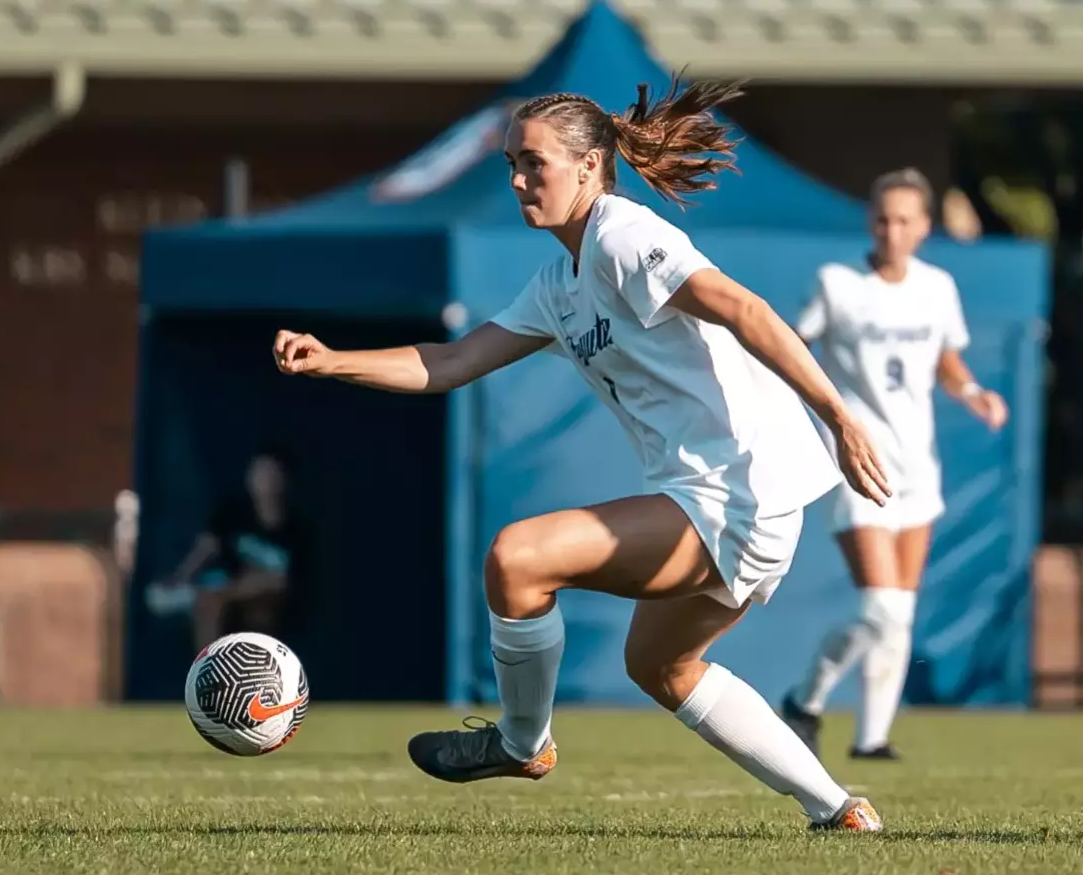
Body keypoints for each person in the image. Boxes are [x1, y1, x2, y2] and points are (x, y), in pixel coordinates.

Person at [273, 74, 890, 832]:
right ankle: (838, 809)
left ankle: (521, 744)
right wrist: (332, 360)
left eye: (534, 163)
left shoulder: (621, 236)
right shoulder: (556, 284)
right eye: (511, 164)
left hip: (735, 493)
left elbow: (743, 307)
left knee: (518, 558)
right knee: (661, 668)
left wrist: (839, 417)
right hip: (723, 497)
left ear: (590, 166)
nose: (518, 180)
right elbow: (452, 362)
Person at [778, 168, 1007, 761]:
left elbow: (945, 360)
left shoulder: (937, 287)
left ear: (924, 227)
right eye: (883, 219)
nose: (892, 231)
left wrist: (973, 392)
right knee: (880, 607)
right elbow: (792, 348)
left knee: (898, 613)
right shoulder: (837, 283)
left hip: (917, 466)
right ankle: (804, 699)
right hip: (859, 461)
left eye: (905, 220)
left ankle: (872, 738)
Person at [149, 448, 300, 653]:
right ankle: (208, 669)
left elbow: (283, 582)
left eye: (270, 473)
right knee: (205, 602)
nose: (263, 481)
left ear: (283, 480)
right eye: (258, 472)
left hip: (266, 599)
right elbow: (206, 547)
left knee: (261, 596)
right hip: (224, 587)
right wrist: (182, 576)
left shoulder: (297, 530)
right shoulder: (232, 512)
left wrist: (234, 589)